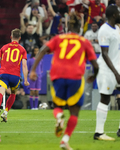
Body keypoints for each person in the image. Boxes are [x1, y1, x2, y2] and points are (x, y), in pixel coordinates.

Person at [29, 12, 99, 149]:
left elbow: (43, 50)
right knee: (74, 112)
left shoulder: (59, 38)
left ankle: (59, 115)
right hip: (75, 78)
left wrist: (33, 70)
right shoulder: (84, 42)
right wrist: (94, 76)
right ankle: (65, 140)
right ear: (79, 28)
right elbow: (95, 65)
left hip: (57, 77)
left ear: (68, 27)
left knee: (57, 106)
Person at [93, 5, 120, 140]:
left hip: (117, 69)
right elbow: (104, 54)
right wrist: (115, 73)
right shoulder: (104, 30)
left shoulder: (117, 29)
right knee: (105, 98)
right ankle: (99, 133)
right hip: (107, 70)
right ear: (114, 15)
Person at [0, 28, 30, 123]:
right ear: (20, 38)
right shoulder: (22, 49)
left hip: (4, 74)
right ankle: (5, 112)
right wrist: (25, 80)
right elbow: (24, 65)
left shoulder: (4, 47)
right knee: (13, 94)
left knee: (0, 92)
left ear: (11, 37)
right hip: (15, 76)